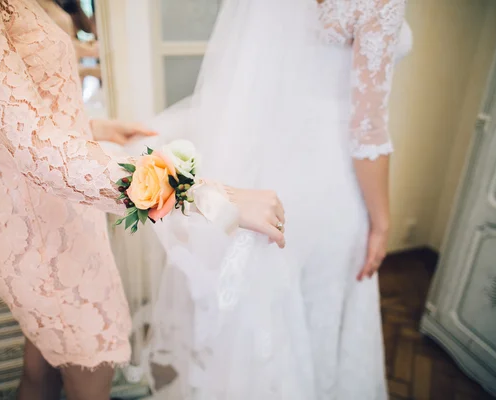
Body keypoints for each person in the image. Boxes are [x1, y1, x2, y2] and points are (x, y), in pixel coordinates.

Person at [0, 1, 286, 400]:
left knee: (41, 371)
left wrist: (94, 127)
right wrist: (211, 195)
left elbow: (11, 118)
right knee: (85, 383)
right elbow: (38, 153)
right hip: (41, 235)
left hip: (55, 221)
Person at [144, 0, 413, 398]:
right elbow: (368, 130)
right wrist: (383, 221)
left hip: (275, 165)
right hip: (333, 177)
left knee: (277, 305)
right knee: (322, 304)